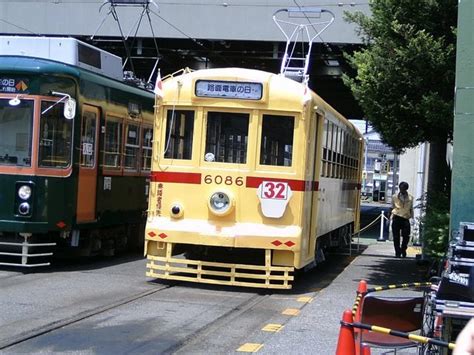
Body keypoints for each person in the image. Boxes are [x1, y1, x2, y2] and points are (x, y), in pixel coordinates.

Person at [390, 181, 414, 258]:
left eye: (403, 189)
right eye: (400, 188)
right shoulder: (394, 196)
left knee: (406, 236)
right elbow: (392, 207)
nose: (402, 190)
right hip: (396, 217)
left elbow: (411, 208)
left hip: (405, 218)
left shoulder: (410, 198)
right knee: (396, 237)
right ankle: (397, 252)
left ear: (406, 189)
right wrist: (390, 217)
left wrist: (412, 218)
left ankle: (403, 249)